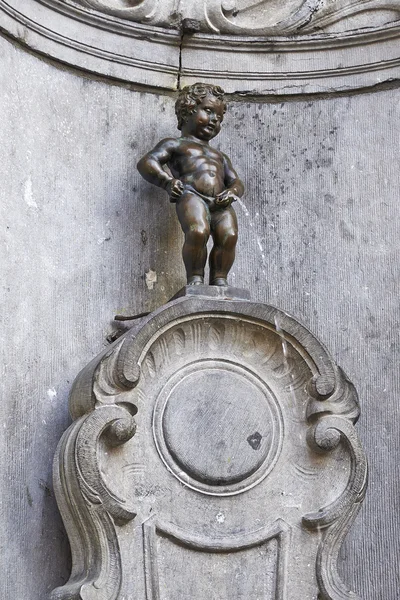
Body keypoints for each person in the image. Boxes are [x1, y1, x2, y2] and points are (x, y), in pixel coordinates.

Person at [137, 83, 244, 286]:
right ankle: (195, 278)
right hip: (192, 195)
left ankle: (220, 279)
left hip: (221, 202)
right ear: (188, 111)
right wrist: (167, 182)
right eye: (209, 111)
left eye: (219, 118)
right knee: (198, 231)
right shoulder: (175, 144)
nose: (214, 120)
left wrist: (232, 192)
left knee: (229, 235)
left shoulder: (220, 156)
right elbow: (147, 162)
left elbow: (236, 181)